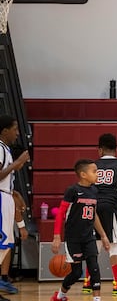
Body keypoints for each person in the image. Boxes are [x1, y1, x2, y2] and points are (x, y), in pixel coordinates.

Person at [82, 134, 117, 296]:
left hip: (91, 207)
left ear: (100, 150)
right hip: (109, 207)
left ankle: (88, 282)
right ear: (116, 149)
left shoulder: (92, 166)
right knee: (115, 246)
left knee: (94, 245)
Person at [51, 159, 111, 301]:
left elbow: (94, 213)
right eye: (94, 171)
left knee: (94, 267)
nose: (98, 174)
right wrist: (57, 236)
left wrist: (103, 235)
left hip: (89, 236)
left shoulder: (94, 191)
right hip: (73, 238)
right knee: (76, 273)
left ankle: (97, 299)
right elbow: (60, 213)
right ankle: (60, 296)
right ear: (83, 174)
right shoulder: (72, 191)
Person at [0, 116, 29, 299]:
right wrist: (17, 164)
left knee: (5, 245)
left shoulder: (5, 149)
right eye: (15, 129)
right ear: (4, 131)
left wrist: (14, 194)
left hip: (6, 197)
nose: (17, 133)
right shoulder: (0, 148)